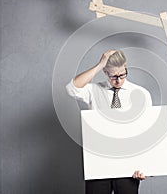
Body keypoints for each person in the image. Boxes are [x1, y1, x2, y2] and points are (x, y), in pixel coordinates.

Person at [65, 49, 152, 194]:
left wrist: (146, 166)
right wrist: (99, 65)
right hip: (98, 163)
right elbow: (71, 89)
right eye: (113, 76)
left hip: (128, 166)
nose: (118, 80)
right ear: (105, 72)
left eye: (122, 74)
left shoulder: (142, 94)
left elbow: (146, 131)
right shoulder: (94, 90)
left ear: (126, 68)